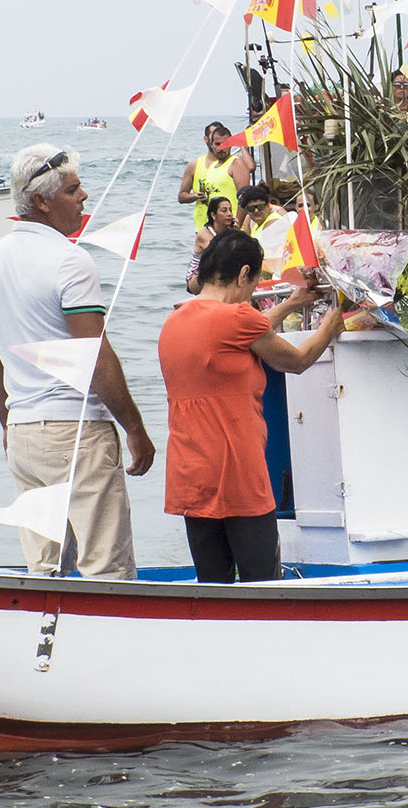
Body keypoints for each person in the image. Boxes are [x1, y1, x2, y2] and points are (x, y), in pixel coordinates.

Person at [0, 145, 157, 579]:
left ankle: (48, 642)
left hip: (23, 432)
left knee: (45, 567)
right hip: (77, 433)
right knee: (105, 566)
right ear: (42, 201)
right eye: (74, 190)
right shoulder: (71, 261)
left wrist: (8, 422)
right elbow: (95, 356)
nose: (84, 197)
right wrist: (135, 429)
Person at [159, 230, 347, 582]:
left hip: (190, 472)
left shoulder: (175, 321)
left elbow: (244, 333)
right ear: (244, 274)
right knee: (262, 585)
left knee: (212, 585)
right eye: (254, 282)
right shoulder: (236, 320)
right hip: (237, 472)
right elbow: (297, 361)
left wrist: (291, 304)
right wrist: (328, 327)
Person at [178, 123, 253, 232]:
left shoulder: (236, 163)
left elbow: (245, 197)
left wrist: (237, 225)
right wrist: (201, 197)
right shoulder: (213, 167)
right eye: (217, 144)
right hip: (212, 228)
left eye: (225, 144)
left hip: (233, 228)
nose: (221, 148)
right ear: (210, 144)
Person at [186, 196, 238, 295]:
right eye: (224, 211)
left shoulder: (229, 231)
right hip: (197, 278)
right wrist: (234, 236)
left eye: (230, 210)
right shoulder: (204, 233)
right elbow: (221, 253)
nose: (229, 214)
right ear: (213, 215)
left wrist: (236, 233)